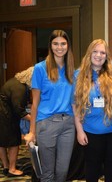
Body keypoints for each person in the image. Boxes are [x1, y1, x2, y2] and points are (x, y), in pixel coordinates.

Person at [24, 30, 75, 182]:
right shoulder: (40, 68)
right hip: (46, 123)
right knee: (47, 174)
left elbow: (74, 100)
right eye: (55, 43)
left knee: (63, 171)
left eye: (63, 43)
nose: (59, 47)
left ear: (68, 46)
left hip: (68, 124)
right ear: (50, 46)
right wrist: (32, 131)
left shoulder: (72, 69)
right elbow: (35, 103)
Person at [73, 39, 112, 182]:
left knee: (111, 169)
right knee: (92, 170)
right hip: (91, 132)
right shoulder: (79, 75)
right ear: (89, 53)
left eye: (103, 52)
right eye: (95, 51)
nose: (99, 55)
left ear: (107, 56)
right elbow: (75, 104)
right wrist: (79, 130)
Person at [0, 67, 33, 177]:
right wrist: (34, 119)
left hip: (2, 114)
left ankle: (6, 166)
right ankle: (12, 169)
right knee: (14, 143)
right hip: (7, 117)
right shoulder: (20, 88)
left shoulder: (15, 82)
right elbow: (20, 111)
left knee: (2, 142)